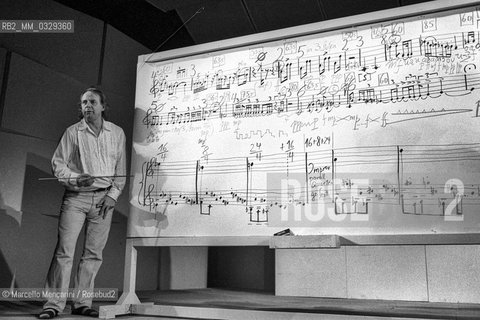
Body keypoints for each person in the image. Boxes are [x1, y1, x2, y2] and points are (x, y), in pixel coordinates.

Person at [38, 87, 126, 319]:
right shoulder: (72, 132)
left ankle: (81, 302)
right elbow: (58, 164)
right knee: (64, 252)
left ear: (103, 106)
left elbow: (121, 171)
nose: (88, 106)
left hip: (104, 199)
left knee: (93, 255)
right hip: (76, 198)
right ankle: (53, 304)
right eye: (84, 102)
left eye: (93, 102)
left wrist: (112, 195)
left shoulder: (117, 133)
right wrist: (76, 178)